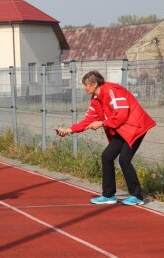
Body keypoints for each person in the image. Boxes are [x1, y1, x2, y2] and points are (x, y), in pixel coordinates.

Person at [56, 70, 155, 206]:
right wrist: (68, 130)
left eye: (86, 85)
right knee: (107, 156)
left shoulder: (112, 91)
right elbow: (88, 120)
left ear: (95, 84)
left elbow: (122, 114)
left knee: (124, 159)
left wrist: (102, 123)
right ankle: (108, 195)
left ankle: (137, 196)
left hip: (135, 127)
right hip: (122, 129)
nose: (84, 87)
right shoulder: (95, 99)